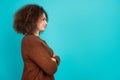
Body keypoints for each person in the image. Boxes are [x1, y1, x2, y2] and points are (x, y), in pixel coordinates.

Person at [13, 4, 60, 80]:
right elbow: (51, 68)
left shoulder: (39, 41)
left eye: (46, 20)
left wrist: (54, 59)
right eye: (43, 19)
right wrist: (55, 58)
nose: (46, 23)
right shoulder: (30, 41)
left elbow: (51, 63)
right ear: (33, 20)